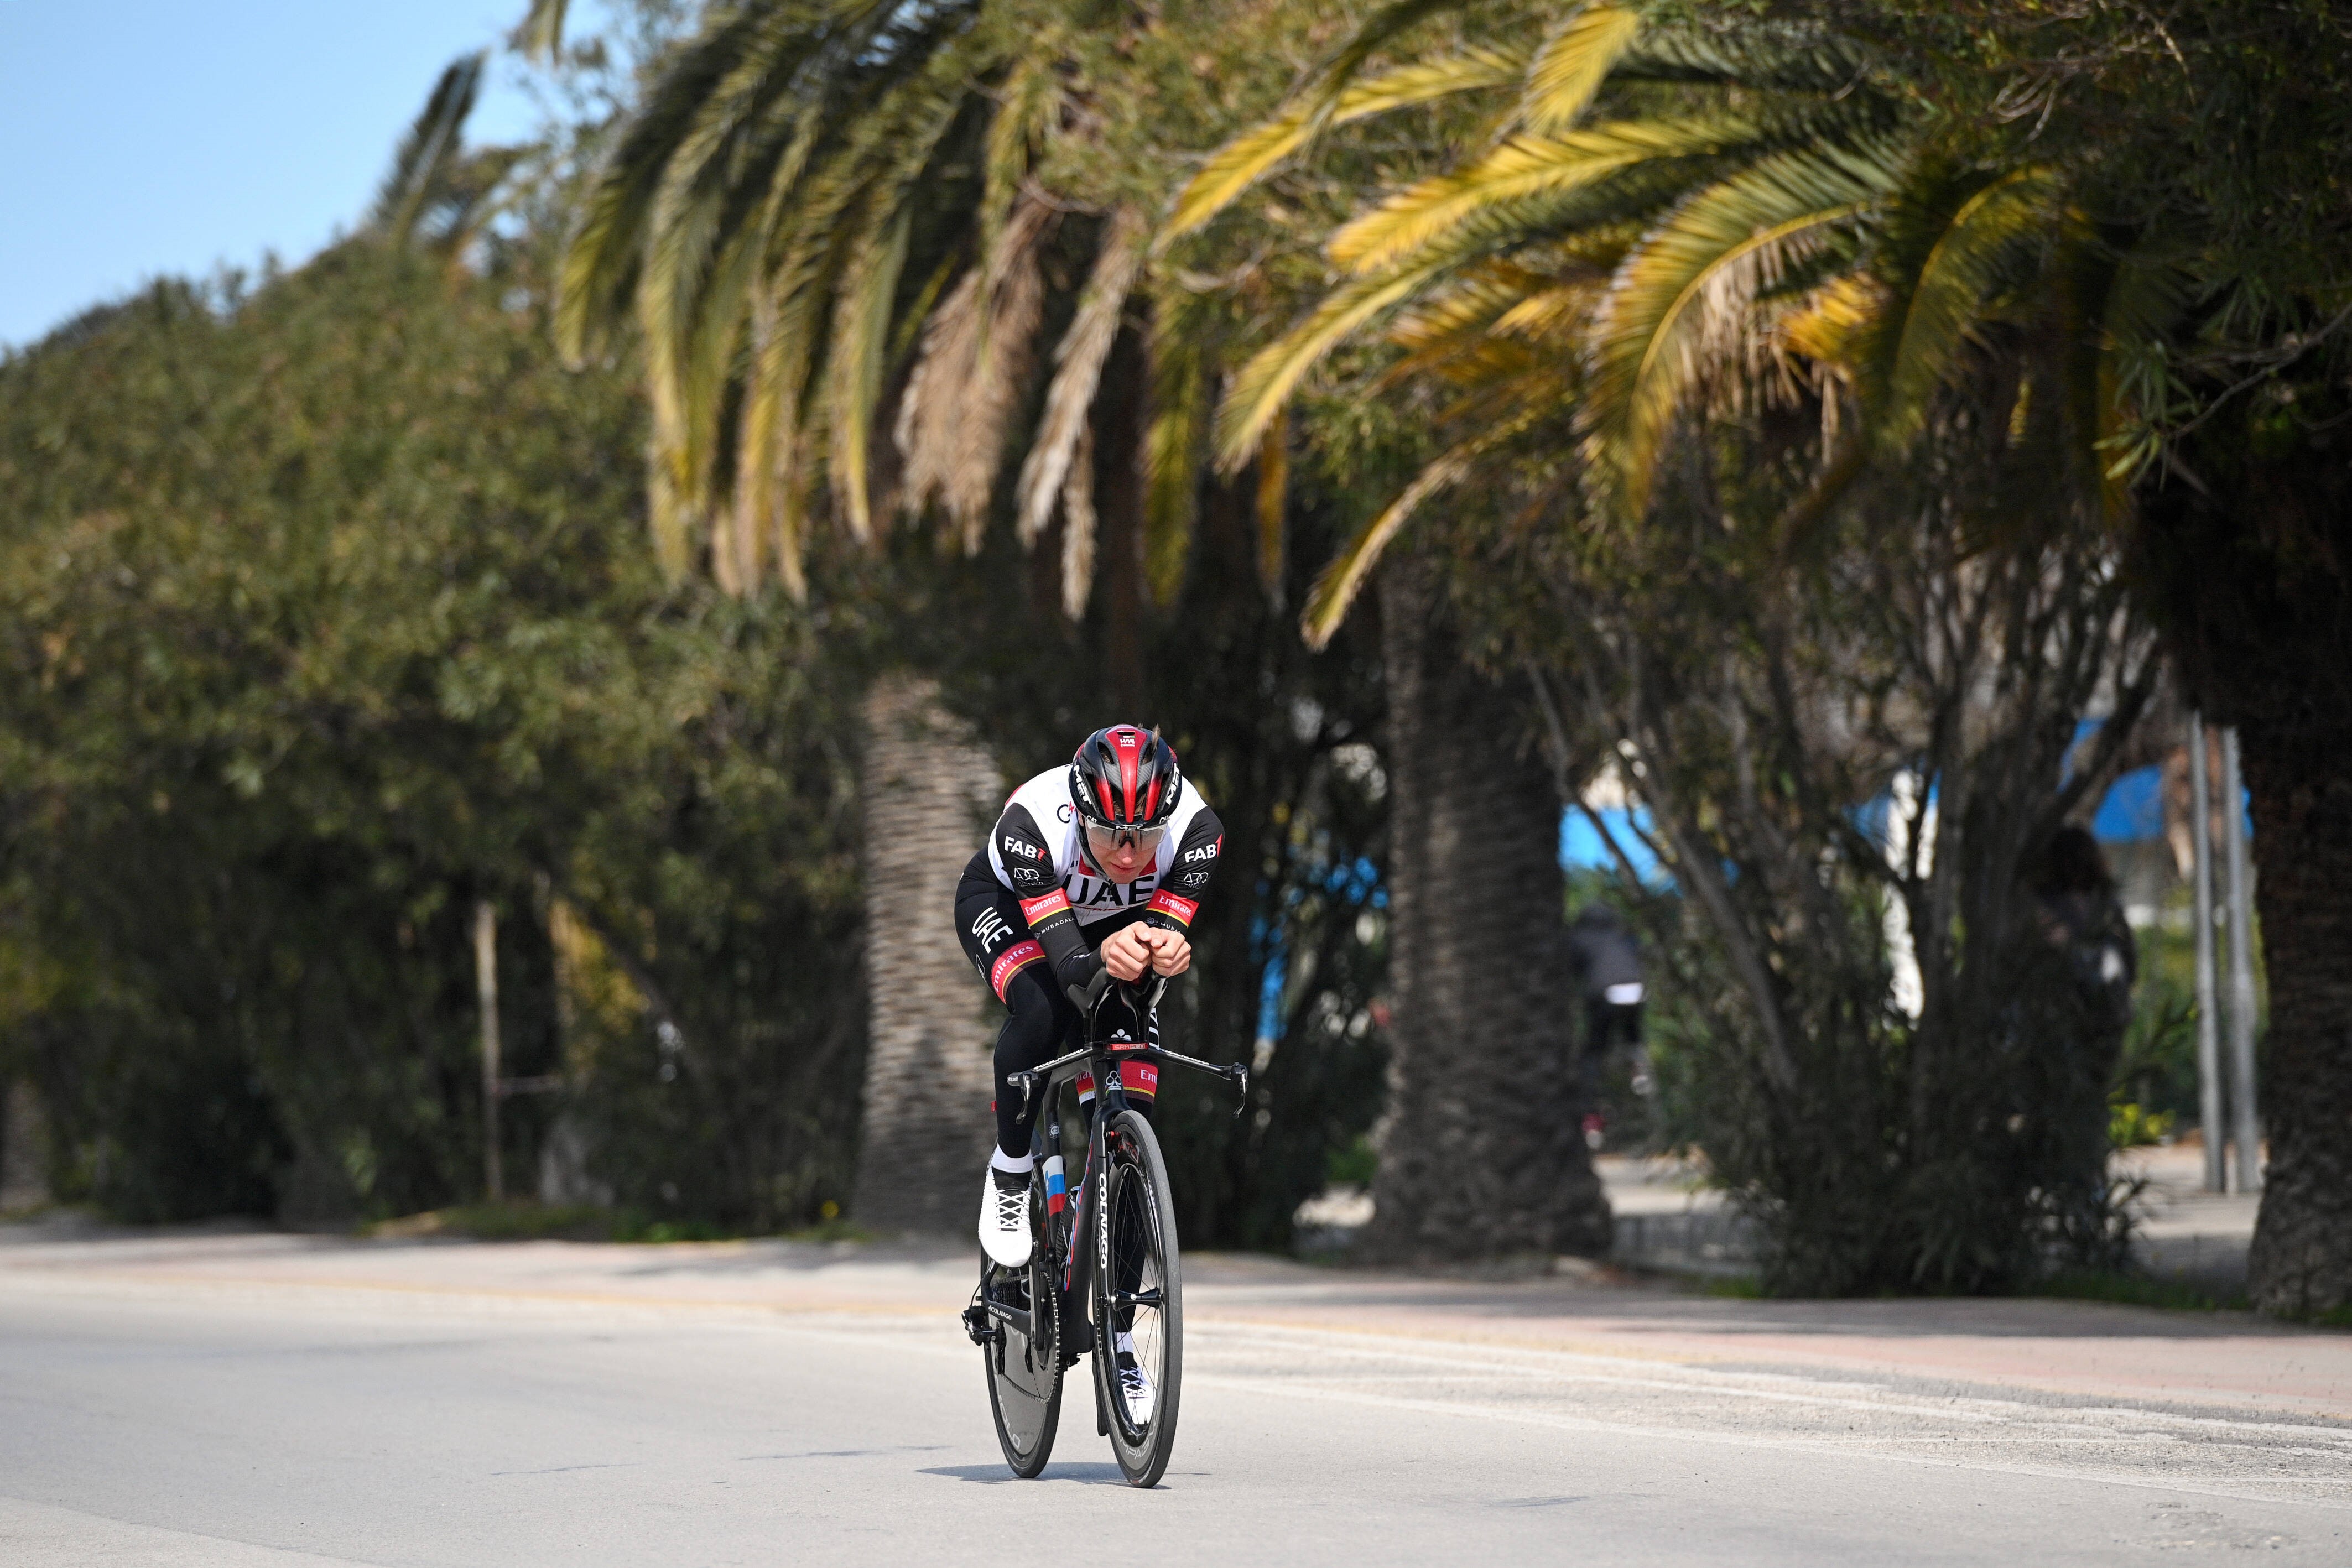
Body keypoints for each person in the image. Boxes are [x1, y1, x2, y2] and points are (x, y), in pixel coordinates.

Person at [954, 724, 1224, 1416]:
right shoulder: (1032, 824)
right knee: (1046, 1013)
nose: (1131, 853)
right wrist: (1110, 959)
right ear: (1082, 812)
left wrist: (1166, 952)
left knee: (1132, 1072)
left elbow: (1158, 942)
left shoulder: (1197, 834)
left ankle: (1123, 1337)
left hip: (1111, 926)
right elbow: (1076, 970)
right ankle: (1013, 1170)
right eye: (1112, 836)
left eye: (1146, 836)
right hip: (1015, 911)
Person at [1566, 902, 1646, 1148]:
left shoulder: (1580, 938)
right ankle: (1639, 1067)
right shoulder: (1624, 936)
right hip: (1636, 992)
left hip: (1604, 996)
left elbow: (1572, 971)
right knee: (1632, 1032)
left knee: (1592, 1055)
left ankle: (1591, 1119)